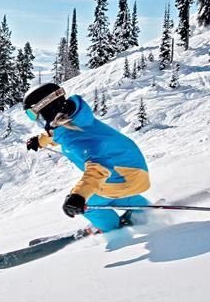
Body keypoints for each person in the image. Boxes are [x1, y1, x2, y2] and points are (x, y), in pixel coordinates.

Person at [23, 83, 150, 233]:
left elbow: (99, 167)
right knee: (104, 193)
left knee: (89, 203)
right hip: (132, 170)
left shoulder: (77, 138)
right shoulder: (75, 117)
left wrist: (78, 196)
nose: (35, 119)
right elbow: (60, 133)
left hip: (122, 176)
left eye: (33, 114)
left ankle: (112, 229)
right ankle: (143, 210)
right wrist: (40, 140)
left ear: (46, 108)